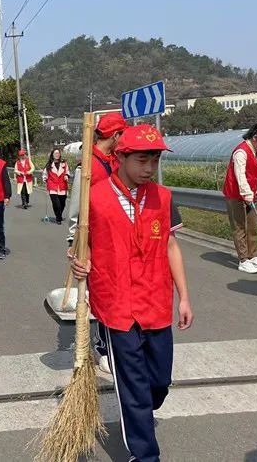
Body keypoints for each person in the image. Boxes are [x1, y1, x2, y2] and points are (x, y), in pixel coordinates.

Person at [70, 124, 193, 462]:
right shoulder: (94, 198)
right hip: (115, 304)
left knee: (159, 382)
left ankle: (141, 410)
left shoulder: (163, 197)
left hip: (155, 301)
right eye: (142, 161)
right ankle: (144, 455)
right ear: (120, 156)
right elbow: (80, 245)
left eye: (154, 161)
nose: (149, 169)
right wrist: (79, 262)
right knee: (135, 389)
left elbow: (171, 246)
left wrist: (184, 297)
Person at [67, 112, 127, 245]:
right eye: (123, 135)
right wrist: (73, 238)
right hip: (93, 233)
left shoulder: (117, 160)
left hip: (116, 230)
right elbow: (77, 204)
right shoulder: (86, 165)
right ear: (116, 135)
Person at [223, 123, 257, 274]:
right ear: (255, 137)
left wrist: (252, 194)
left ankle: (253, 256)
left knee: (252, 226)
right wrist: (246, 194)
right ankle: (243, 260)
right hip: (236, 194)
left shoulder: (256, 150)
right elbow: (240, 176)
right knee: (239, 227)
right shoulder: (241, 152)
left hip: (251, 194)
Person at [42, 148, 69, 224]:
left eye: (58, 153)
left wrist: (66, 175)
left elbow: (67, 171)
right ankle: (58, 218)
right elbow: (45, 174)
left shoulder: (64, 163)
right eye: (55, 153)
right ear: (52, 155)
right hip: (52, 186)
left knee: (62, 203)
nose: (57, 155)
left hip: (62, 186)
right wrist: (45, 180)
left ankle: (59, 214)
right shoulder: (49, 165)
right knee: (56, 203)